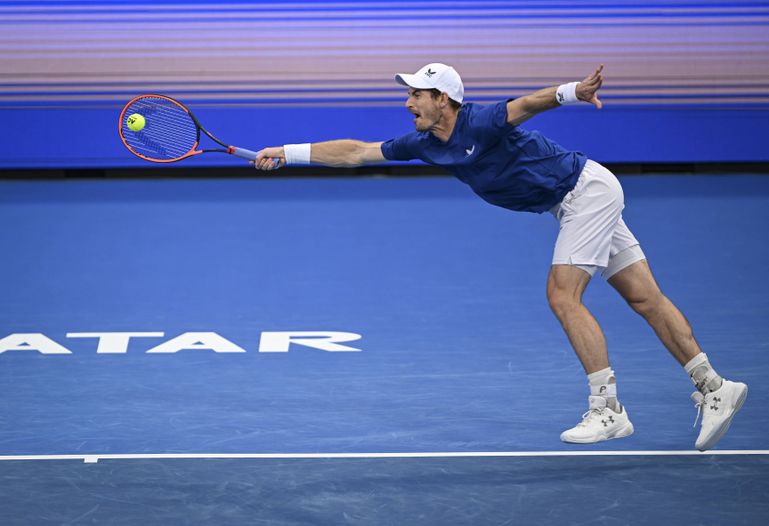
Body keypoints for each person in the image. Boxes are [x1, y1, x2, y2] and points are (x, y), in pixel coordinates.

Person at [253, 63, 747, 450]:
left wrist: (574, 91)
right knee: (644, 298)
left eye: (416, 95)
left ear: (442, 99)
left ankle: (607, 409)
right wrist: (284, 151)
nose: (408, 103)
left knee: (563, 296)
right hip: (571, 200)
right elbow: (357, 152)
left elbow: (528, 104)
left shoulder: (481, 121)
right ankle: (714, 386)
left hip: (586, 193)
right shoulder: (424, 143)